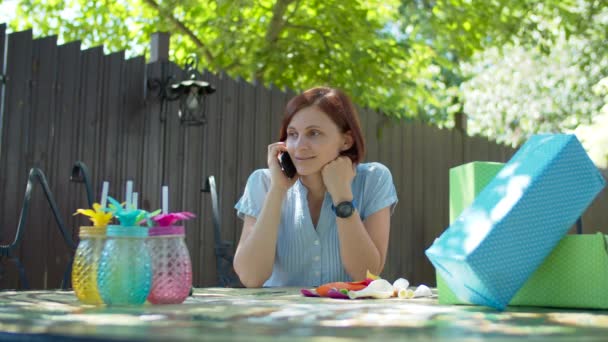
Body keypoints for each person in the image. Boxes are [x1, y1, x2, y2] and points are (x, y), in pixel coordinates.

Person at [233, 86, 398, 287]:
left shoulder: (374, 179)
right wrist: (277, 190)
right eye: (292, 134)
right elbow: (251, 278)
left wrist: (341, 195)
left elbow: (365, 275)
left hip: (347, 316)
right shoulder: (263, 182)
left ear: (346, 141)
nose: (299, 146)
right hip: (281, 316)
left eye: (314, 133)